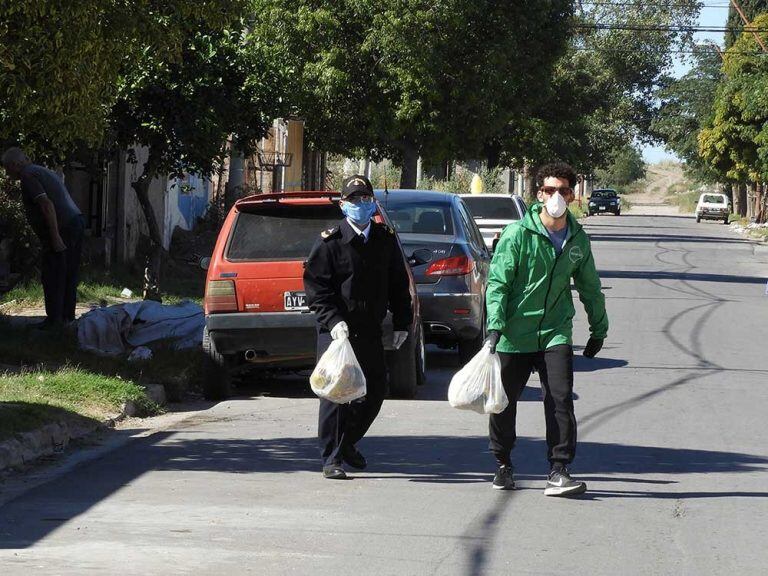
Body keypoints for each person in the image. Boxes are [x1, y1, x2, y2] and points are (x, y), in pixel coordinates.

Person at [484, 161, 608, 496]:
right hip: (514, 333)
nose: (556, 196)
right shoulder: (518, 235)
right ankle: (503, 464)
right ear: (539, 193)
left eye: (563, 191)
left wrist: (599, 329)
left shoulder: (578, 239)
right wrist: (495, 326)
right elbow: (498, 284)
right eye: (550, 190)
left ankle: (559, 469)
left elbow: (590, 287)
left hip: (555, 331)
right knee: (504, 402)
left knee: (560, 398)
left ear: (573, 195)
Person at [303, 175, 413, 480]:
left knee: (374, 390)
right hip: (337, 333)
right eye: (354, 200)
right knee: (336, 394)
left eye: (366, 200)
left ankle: (348, 440)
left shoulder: (384, 238)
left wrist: (403, 322)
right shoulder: (330, 242)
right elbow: (317, 289)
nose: (361, 205)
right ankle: (332, 458)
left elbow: (398, 285)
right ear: (343, 205)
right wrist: (334, 321)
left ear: (374, 204)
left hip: (369, 330)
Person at [1, 147, 84, 328]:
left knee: (54, 273)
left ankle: (54, 321)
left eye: (7, 169)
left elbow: (46, 205)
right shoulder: (42, 170)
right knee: (68, 273)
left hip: (64, 228)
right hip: (75, 223)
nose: (7, 174)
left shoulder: (28, 176)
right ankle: (66, 319)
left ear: (15, 165)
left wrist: (55, 237)